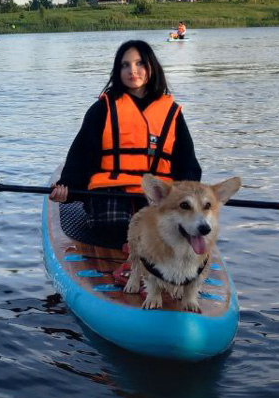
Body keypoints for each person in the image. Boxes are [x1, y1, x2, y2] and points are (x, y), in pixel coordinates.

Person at [50, 39, 201, 247]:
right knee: (116, 224)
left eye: (140, 63)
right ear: (117, 71)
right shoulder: (102, 109)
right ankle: (128, 253)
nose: (133, 70)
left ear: (151, 67)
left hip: (157, 193)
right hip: (112, 190)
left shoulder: (171, 113)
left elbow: (187, 162)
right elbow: (81, 154)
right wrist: (67, 187)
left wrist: (189, 198)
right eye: (125, 65)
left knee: (165, 226)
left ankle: (145, 251)